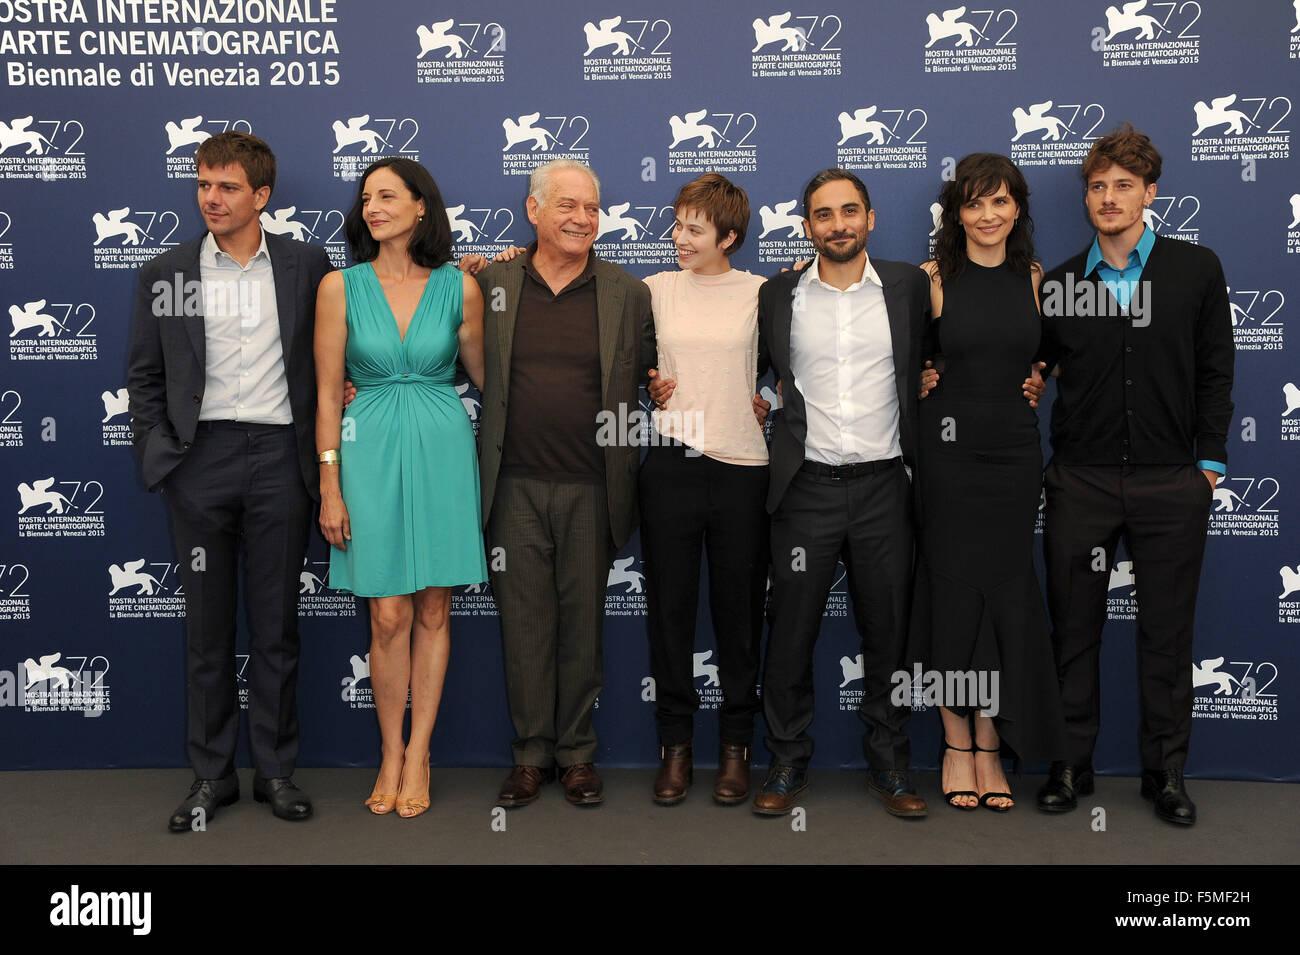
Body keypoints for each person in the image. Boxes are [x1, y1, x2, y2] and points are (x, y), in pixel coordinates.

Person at [127, 132, 332, 831]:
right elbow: (145, 375)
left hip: (281, 460)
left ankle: (275, 770)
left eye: (226, 187)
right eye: (203, 185)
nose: (210, 198)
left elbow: (332, 360)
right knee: (207, 631)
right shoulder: (167, 270)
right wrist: (161, 453)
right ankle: (212, 776)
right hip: (200, 461)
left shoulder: (307, 265)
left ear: (261, 197)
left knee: (276, 628)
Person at [1035, 125, 1233, 826]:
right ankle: (1069, 762)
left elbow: (1216, 372)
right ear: (1086, 197)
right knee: (1074, 630)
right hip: (1080, 484)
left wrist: (1207, 467)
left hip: (1170, 485)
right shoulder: (1059, 284)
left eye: (1124, 185)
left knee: (1167, 634)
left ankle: (1166, 772)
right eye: (1098, 186)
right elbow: (1032, 367)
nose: (1109, 198)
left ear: (1151, 192)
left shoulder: (1194, 270)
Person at [473, 159, 655, 808]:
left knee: (583, 626)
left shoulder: (629, 293)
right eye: (568, 206)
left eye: (592, 209)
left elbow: (665, 363)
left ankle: (576, 754)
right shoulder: (490, 282)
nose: (582, 219)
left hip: (592, 486)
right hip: (513, 485)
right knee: (523, 628)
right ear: (533, 210)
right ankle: (529, 757)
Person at [754, 169, 931, 818]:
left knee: (889, 632)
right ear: (808, 227)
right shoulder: (778, 295)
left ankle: (890, 762)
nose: (838, 224)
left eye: (849, 211)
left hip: (888, 486)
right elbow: (754, 371)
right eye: (823, 215)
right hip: (806, 491)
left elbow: (945, 355)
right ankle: (786, 758)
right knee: (792, 632)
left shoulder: (910, 287)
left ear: (871, 219)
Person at [315, 157, 486, 819]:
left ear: (422, 206)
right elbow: (329, 393)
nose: (373, 207)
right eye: (366, 198)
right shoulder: (340, 287)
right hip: (367, 447)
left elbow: (488, 373)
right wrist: (330, 480)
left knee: (435, 609)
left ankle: (420, 754)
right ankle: (389, 748)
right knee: (387, 613)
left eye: (387, 195)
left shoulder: (459, 288)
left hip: (442, 443)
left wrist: (497, 278)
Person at [909, 153, 1065, 812]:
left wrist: (1040, 376)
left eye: (1000, 202)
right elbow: (887, 350)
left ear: (1017, 208)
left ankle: (993, 743)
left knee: (1005, 596)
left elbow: (1052, 347)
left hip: (1013, 457)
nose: (988, 215)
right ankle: (956, 744)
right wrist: (920, 373)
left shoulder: (1035, 277)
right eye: (975, 203)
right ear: (957, 212)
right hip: (947, 458)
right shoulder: (932, 277)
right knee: (952, 595)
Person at [638, 173, 769, 806]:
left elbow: (793, 367)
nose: (679, 237)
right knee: (669, 612)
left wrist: (766, 397)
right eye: (678, 224)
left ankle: (737, 749)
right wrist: (648, 381)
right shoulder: (655, 290)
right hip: (670, 466)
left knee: (739, 616)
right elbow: (625, 355)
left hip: (743, 467)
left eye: (694, 228)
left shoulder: (764, 293)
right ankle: (676, 748)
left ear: (729, 236)